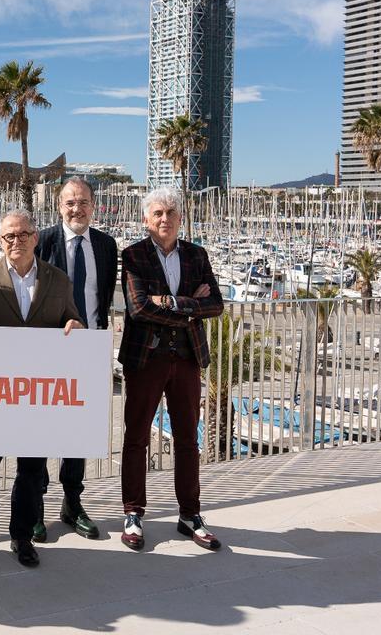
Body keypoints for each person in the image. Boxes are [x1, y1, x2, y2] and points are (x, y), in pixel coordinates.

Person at [0, 209, 84, 569]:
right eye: (9, 236)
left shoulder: (57, 280)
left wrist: (74, 324)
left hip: (37, 396)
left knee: (31, 470)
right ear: (0, 241)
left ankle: (22, 537)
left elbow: (72, 319)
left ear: (36, 237)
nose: (16, 241)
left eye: (23, 234)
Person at [118, 187, 224, 552]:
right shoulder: (132, 255)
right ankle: (133, 512)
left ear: (181, 218)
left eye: (172, 213)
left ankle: (190, 514)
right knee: (136, 438)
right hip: (145, 360)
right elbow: (138, 308)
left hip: (187, 360)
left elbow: (216, 305)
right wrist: (190, 306)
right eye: (158, 213)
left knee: (188, 440)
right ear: (147, 219)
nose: (165, 219)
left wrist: (174, 302)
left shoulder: (197, 255)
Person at [34, 176, 118, 541]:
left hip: (90, 349)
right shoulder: (45, 242)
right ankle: (33, 507)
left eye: (83, 202)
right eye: (70, 202)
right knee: (39, 433)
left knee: (79, 434)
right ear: (59, 206)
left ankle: (72, 503)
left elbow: (104, 295)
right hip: (49, 350)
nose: (76, 208)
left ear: (93, 205)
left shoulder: (106, 245)